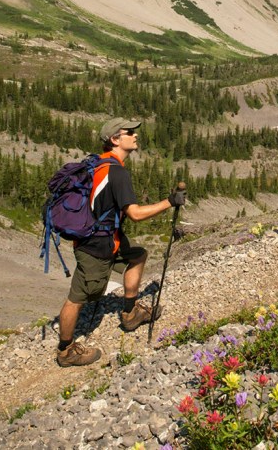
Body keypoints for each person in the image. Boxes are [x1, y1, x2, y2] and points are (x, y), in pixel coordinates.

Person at [56, 117, 186, 367]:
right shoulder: (116, 172)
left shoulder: (100, 164)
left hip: (106, 238)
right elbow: (135, 214)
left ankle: (130, 312)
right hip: (96, 246)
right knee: (78, 297)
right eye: (129, 132)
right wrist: (170, 202)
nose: (135, 135)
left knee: (137, 255)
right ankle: (65, 351)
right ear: (115, 139)